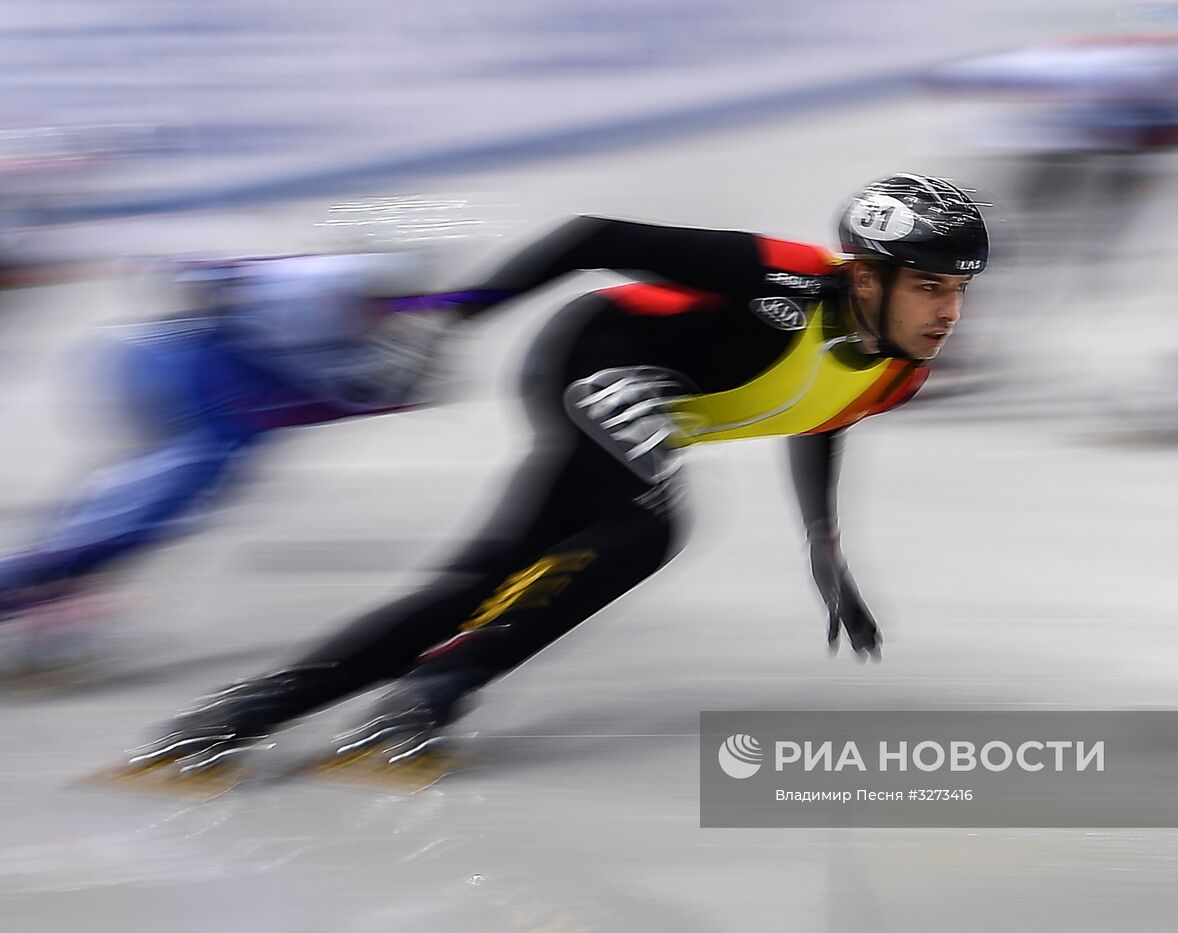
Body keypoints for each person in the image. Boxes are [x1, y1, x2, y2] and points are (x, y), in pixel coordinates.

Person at [132, 173, 990, 775]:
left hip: (650, 410)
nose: (948, 311)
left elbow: (822, 416)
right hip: (599, 352)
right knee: (652, 526)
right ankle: (437, 683)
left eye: (957, 290)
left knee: (496, 571)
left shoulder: (897, 372)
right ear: (866, 276)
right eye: (927, 286)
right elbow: (592, 238)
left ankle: (259, 710)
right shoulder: (785, 275)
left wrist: (823, 544)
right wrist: (455, 315)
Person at [0, 250, 453, 664]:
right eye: (382, 309)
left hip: (197, 389)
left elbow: (341, 394)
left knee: (134, 517)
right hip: (183, 381)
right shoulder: (309, 286)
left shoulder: (340, 321)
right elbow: (184, 273)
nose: (385, 323)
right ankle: (41, 585)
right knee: (133, 517)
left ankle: (52, 594)